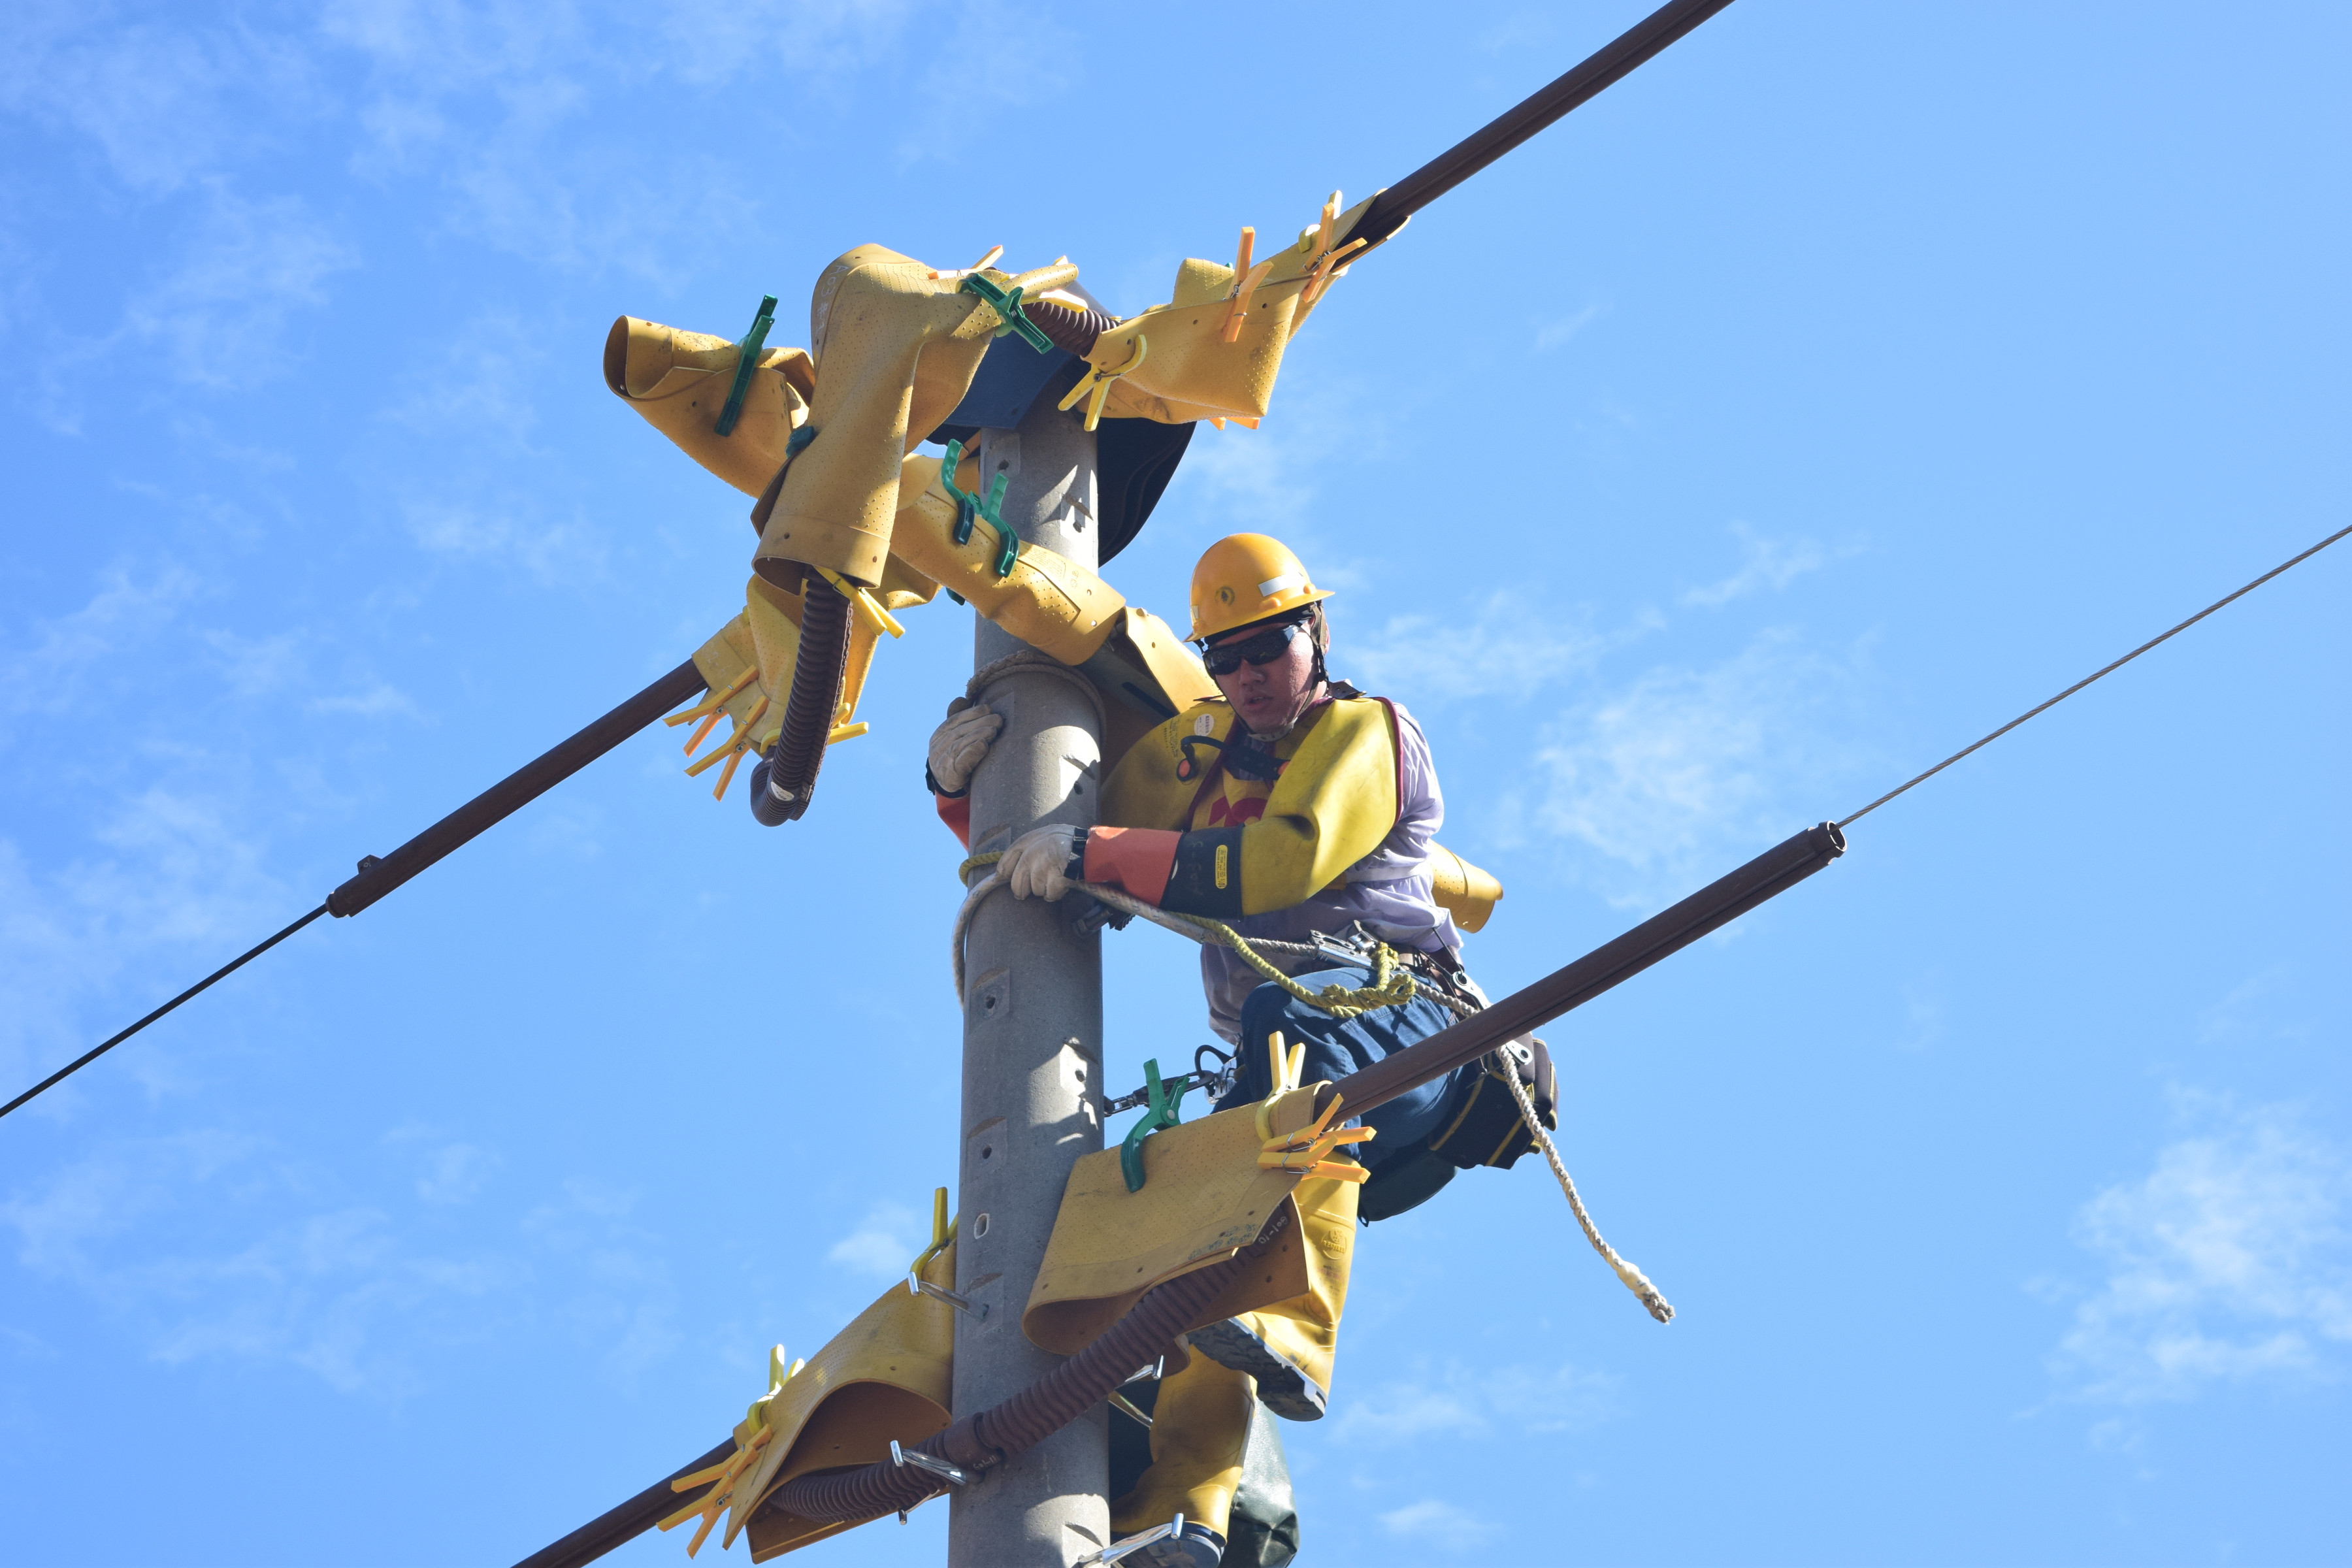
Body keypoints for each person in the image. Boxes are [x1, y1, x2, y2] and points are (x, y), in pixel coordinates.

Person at [928, 534, 1514, 1566]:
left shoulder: (1368, 732)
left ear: (1315, 634)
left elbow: (1281, 860)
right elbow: (1057, 832)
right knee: (1199, 1241)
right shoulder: (1201, 753)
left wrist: (1094, 851)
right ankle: (1187, 1514)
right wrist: (962, 781)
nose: (1247, 675)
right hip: (1286, 1055)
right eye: (1226, 655)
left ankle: (1295, 1329)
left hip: (1412, 1027)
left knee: (1289, 1044)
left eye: (1268, 647)